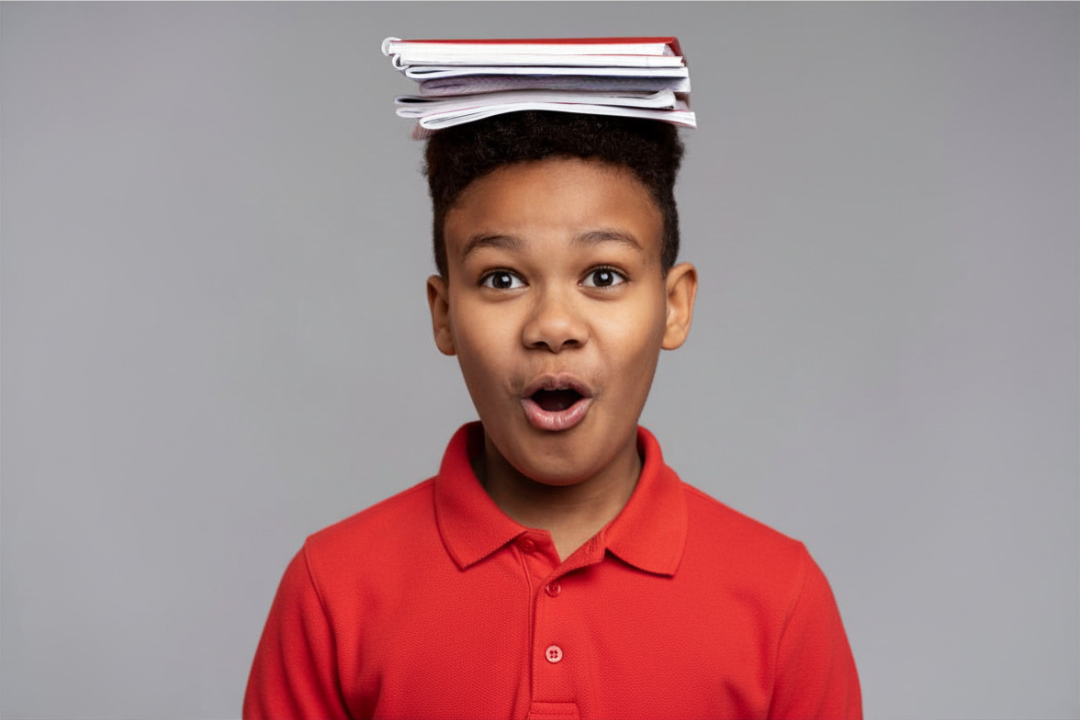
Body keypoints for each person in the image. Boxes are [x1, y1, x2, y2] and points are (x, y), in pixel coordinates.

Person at [243, 110, 862, 719]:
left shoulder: (781, 597)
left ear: (673, 306)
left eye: (603, 274)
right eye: (503, 279)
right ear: (443, 312)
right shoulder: (332, 590)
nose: (553, 327)